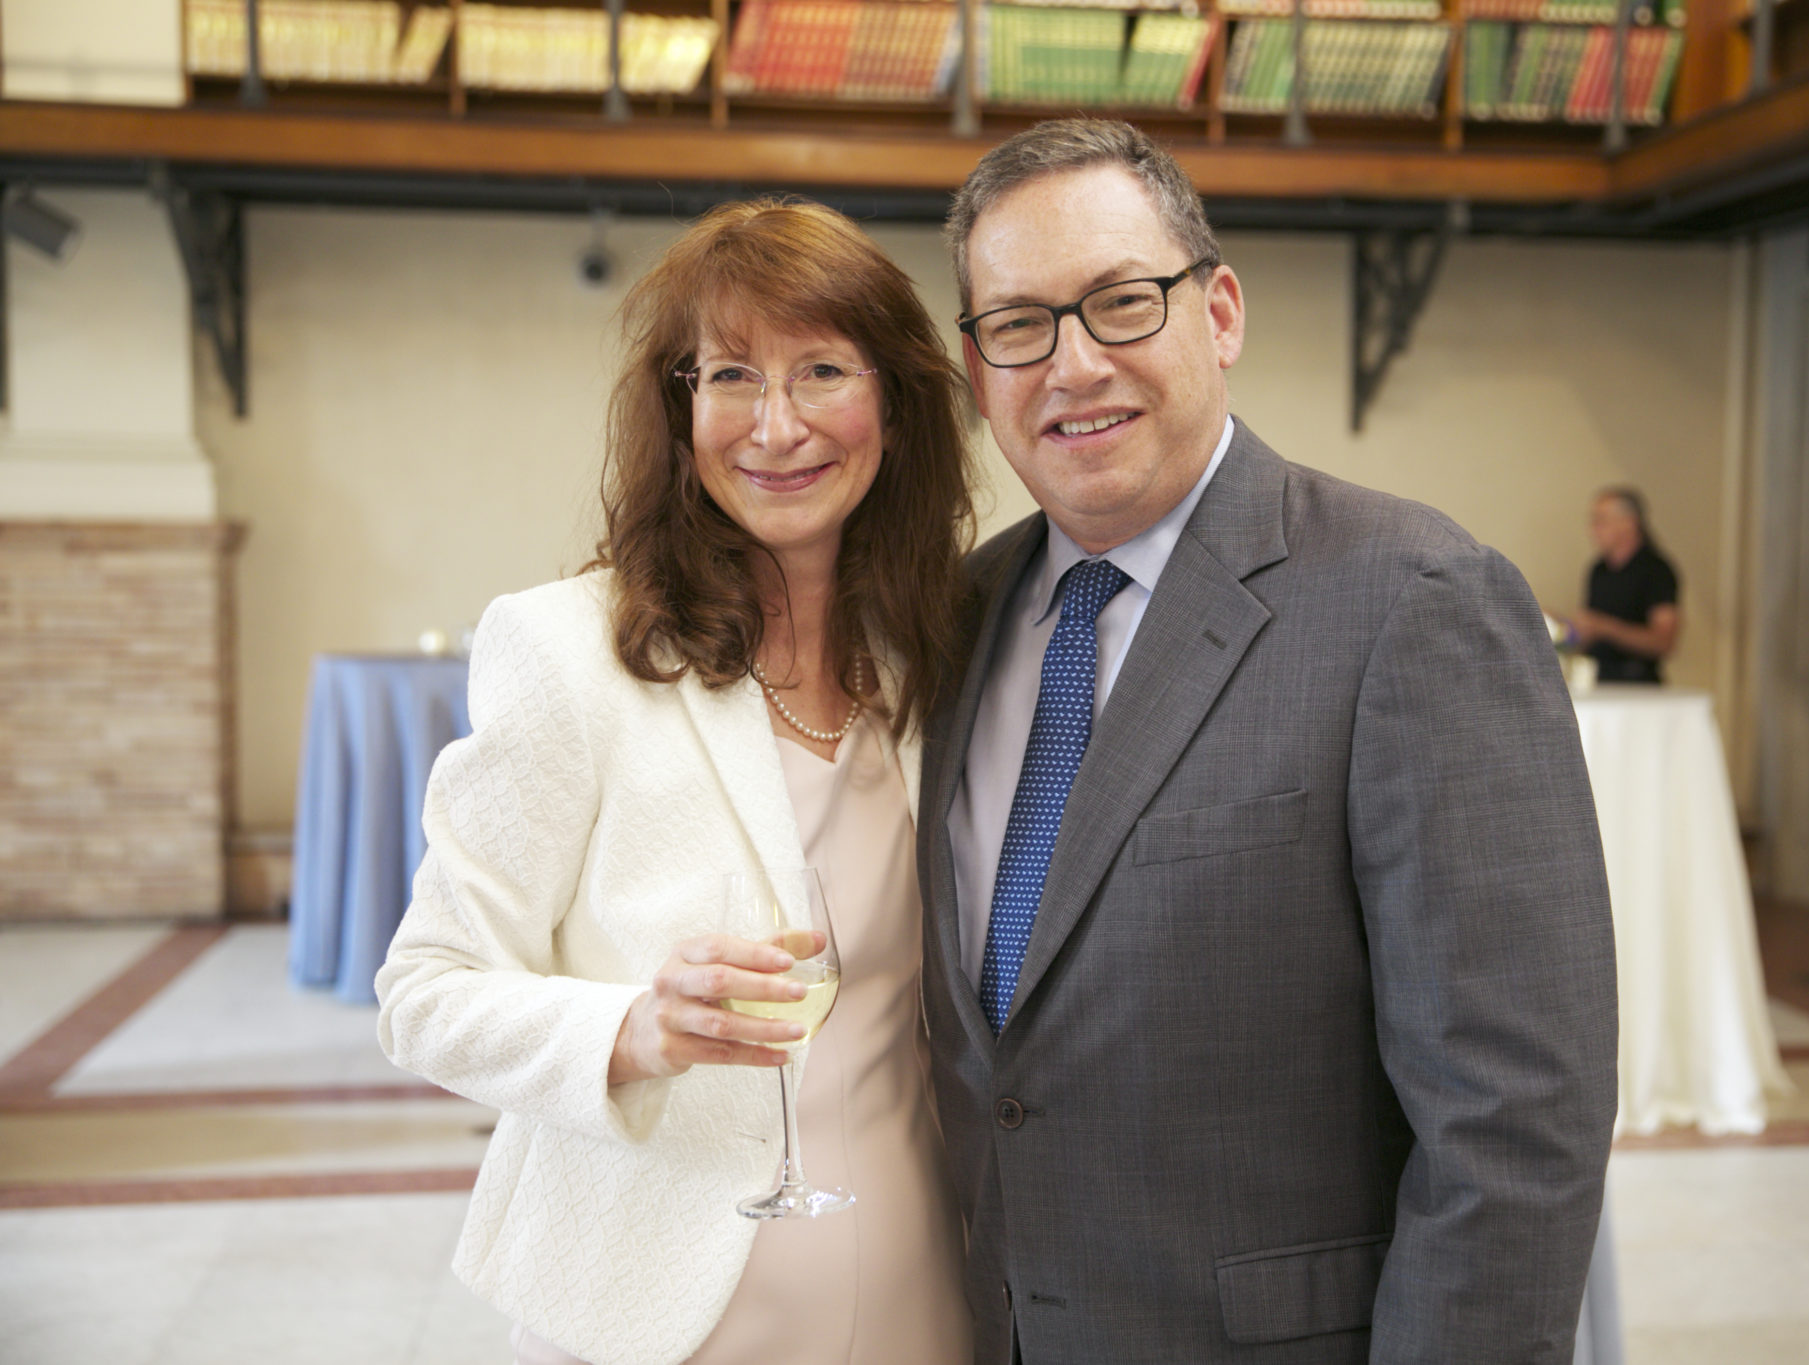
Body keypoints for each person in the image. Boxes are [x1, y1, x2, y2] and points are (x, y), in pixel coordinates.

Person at [918, 118, 1617, 1364]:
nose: (1073, 364)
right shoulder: (953, 621)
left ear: (1220, 312)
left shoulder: (1413, 599)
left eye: (1121, 303)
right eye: (1017, 325)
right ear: (977, 369)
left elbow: (1514, 1125)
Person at [376, 198, 977, 1365]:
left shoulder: (937, 652)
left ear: (896, 407)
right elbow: (424, 992)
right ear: (679, 407)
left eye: (821, 371)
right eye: (732, 376)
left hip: (921, 1283)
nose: (777, 426)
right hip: (662, 1309)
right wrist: (632, 1030)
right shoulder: (568, 651)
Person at [1566, 486, 1682, 683]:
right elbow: (1589, 632)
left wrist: (1605, 627)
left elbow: (1664, 642)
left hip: (1638, 683)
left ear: (1629, 523)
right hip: (1599, 679)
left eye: (1601, 520)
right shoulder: (1598, 570)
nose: (1593, 530)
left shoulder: (1656, 571)